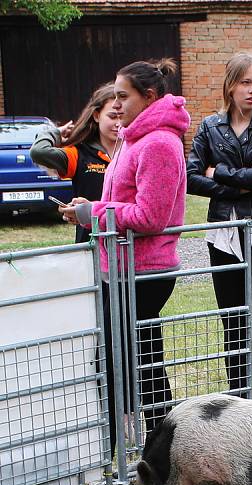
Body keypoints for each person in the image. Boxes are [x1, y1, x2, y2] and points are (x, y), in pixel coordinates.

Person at [61, 58, 191, 454]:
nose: (115, 104)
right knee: (122, 359)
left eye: (123, 96)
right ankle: (132, 450)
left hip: (144, 272)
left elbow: (152, 216)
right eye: (113, 96)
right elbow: (123, 201)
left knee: (139, 363)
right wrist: (94, 204)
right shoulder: (134, 139)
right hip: (119, 267)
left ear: (148, 97)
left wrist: (93, 213)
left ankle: (153, 452)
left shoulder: (159, 144)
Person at [186, 51, 252, 398]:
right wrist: (245, 180)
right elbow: (190, 178)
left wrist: (221, 172)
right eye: (245, 82)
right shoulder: (210, 127)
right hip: (224, 234)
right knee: (232, 321)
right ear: (230, 86)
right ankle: (239, 399)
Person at [30, 83, 120, 243]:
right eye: (112, 116)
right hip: (91, 244)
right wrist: (55, 133)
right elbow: (39, 152)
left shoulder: (136, 151)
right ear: (97, 116)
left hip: (130, 240)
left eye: (123, 116)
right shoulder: (78, 153)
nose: (118, 123)